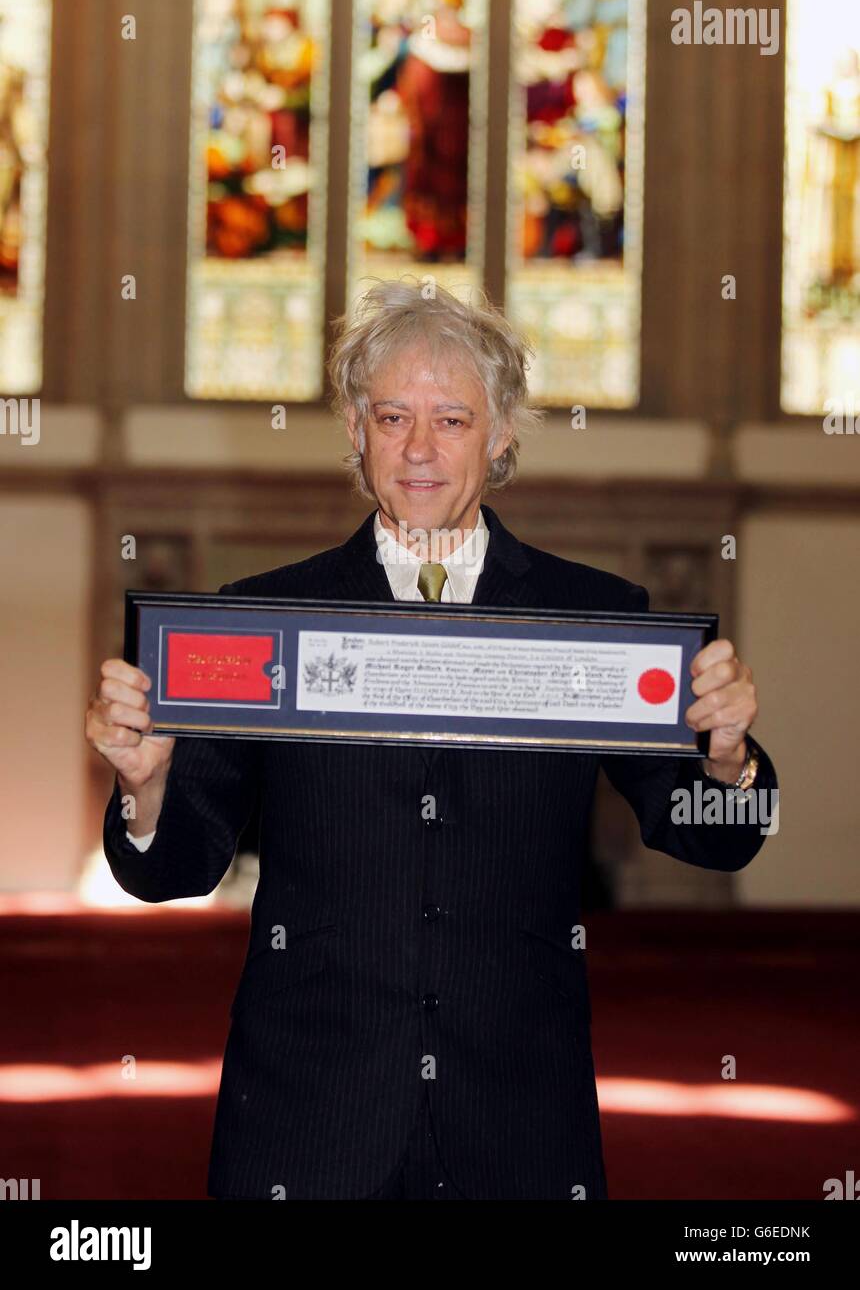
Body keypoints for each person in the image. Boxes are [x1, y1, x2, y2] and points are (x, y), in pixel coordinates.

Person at [86, 279, 778, 1200]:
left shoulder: (598, 622)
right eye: (391, 417)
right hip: (310, 1121)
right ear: (352, 429)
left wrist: (728, 762)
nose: (418, 451)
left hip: (519, 1126)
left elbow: (715, 836)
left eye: (452, 420)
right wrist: (145, 788)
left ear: (502, 437)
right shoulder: (262, 622)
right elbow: (170, 867)